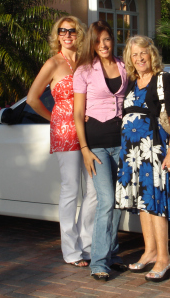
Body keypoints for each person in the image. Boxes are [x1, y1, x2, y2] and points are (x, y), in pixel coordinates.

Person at [27, 16, 97, 267]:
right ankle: (71, 250)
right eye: (62, 31)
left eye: (72, 31)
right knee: (70, 190)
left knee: (94, 190)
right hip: (66, 131)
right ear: (56, 35)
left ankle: (86, 243)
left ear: (79, 34)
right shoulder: (53, 63)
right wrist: (54, 119)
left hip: (90, 130)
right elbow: (32, 98)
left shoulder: (87, 62)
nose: (67, 35)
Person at [115, 35, 170, 282]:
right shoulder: (133, 82)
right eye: (134, 55)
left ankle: (164, 258)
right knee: (143, 204)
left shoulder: (163, 80)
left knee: (155, 204)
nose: (139, 58)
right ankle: (150, 251)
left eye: (143, 53)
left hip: (154, 151)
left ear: (151, 54)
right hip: (133, 154)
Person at [73, 20, 129, 281]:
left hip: (122, 142)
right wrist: (84, 149)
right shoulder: (83, 71)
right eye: (98, 41)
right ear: (91, 44)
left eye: (106, 39)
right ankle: (98, 261)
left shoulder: (123, 65)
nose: (103, 45)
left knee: (118, 202)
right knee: (106, 200)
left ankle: (112, 254)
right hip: (96, 145)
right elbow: (77, 113)